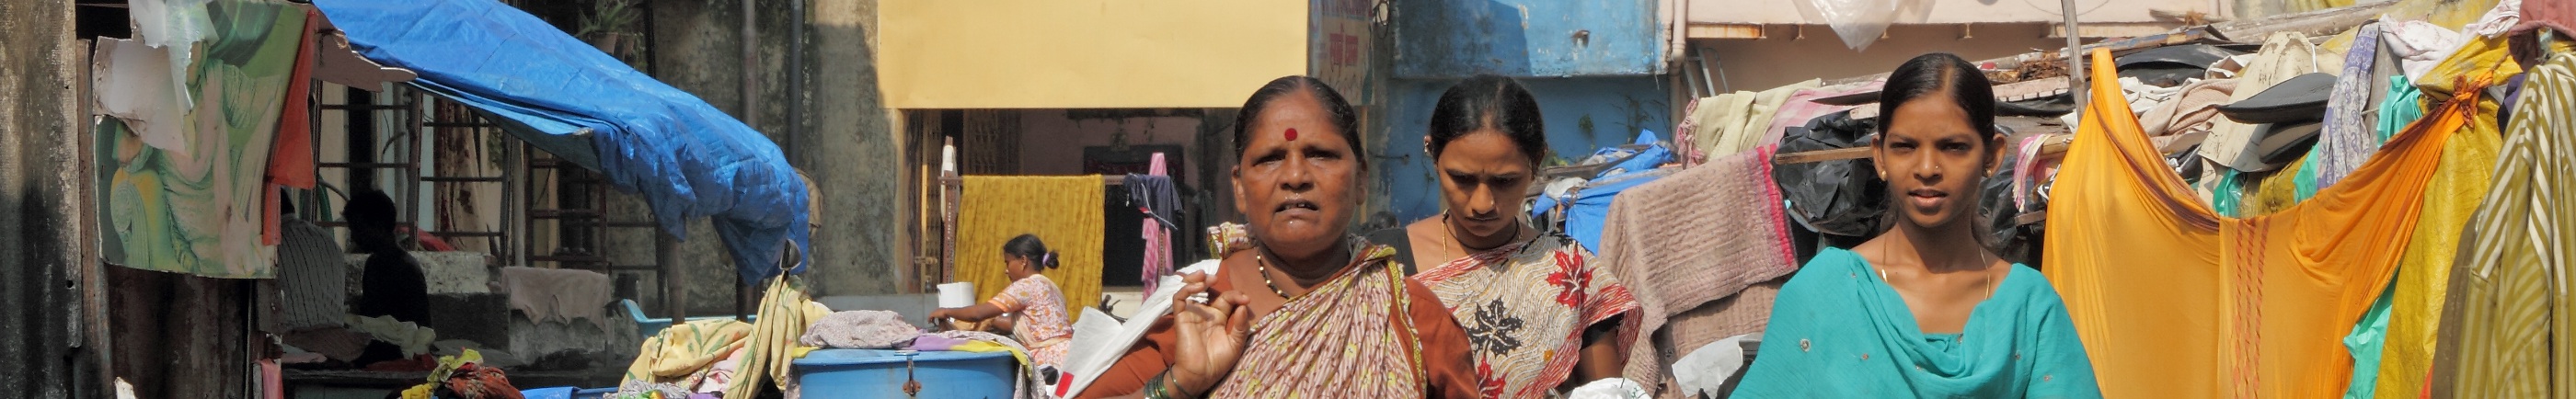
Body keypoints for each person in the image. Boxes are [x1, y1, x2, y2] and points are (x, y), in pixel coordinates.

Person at [1077, 75, 1478, 399]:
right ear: (1239, 187)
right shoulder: (1199, 309)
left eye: (1321, 154)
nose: (1295, 176)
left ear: (1361, 179)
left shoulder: (1411, 313)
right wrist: (1181, 382)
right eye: (1270, 159)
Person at [1730, 53, 2100, 397]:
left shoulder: (2028, 307)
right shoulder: (1823, 293)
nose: (1926, 169)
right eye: (1905, 146)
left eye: (1953, 146)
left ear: (1992, 155)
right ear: (1880, 155)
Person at [1401, 74, 1639, 398]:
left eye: (1505, 181)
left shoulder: (1569, 272)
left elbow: (1608, 393)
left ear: (1537, 161)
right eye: (1462, 179)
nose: (1482, 204)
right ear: (1432, 154)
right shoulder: (1387, 266)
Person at [929, 234, 1075, 371]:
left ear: (1023, 261)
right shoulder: (1050, 286)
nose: (1006, 270)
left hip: (1050, 359)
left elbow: (978, 314)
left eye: (1008, 262)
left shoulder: (1025, 286)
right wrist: (992, 321)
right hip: (1069, 355)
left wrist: (946, 311)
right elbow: (1031, 323)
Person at [347, 188, 429, 366]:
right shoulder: (374, 263)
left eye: (359, 229)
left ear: (378, 226)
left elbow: (419, 331)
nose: (354, 237)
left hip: (397, 359)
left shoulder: (406, 269)